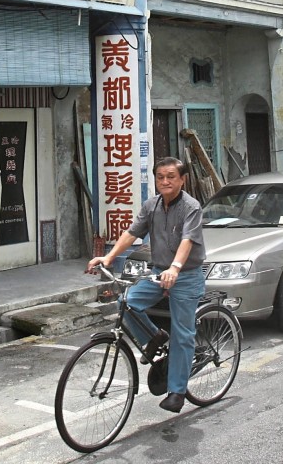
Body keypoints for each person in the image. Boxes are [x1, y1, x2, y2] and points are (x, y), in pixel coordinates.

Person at [88, 157, 205, 414]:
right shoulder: (151, 205)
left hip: (185, 275)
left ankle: (176, 391)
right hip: (158, 272)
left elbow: (187, 241)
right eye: (160, 176)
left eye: (171, 176)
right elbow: (132, 233)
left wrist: (175, 268)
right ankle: (153, 339)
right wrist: (108, 257)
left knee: (182, 334)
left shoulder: (191, 207)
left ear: (182, 179)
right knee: (126, 303)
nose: (165, 181)